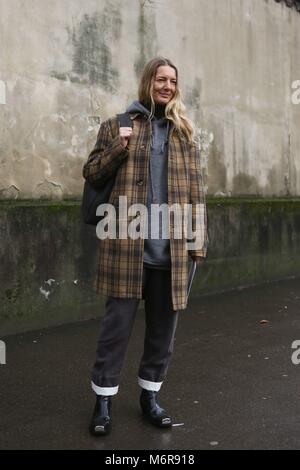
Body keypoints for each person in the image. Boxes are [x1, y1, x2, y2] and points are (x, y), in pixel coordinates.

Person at [82, 57, 209, 436]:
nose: (167, 86)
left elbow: (197, 194)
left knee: (162, 332)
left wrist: (197, 245)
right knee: (115, 329)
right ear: (147, 82)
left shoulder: (185, 133)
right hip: (126, 245)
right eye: (160, 79)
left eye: (172, 80)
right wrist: (118, 148)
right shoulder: (118, 125)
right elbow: (91, 172)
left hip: (171, 251)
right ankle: (103, 400)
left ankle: (149, 396)